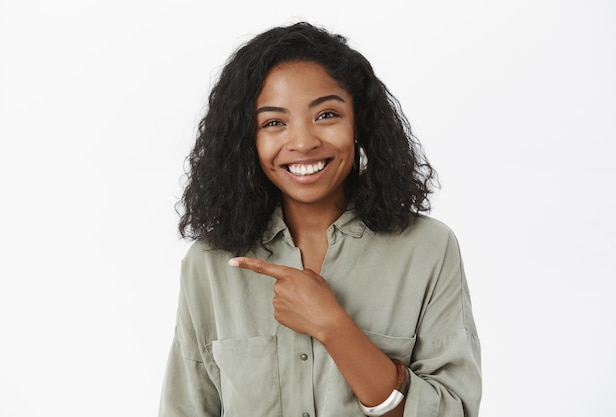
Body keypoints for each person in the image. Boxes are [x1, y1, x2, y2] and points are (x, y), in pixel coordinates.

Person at [159, 22, 481, 417]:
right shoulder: (209, 264)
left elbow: (454, 410)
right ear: (248, 138)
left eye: (326, 114)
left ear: (358, 122)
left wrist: (334, 327)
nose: (303, 142)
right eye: (274, 122)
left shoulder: (428, 250)